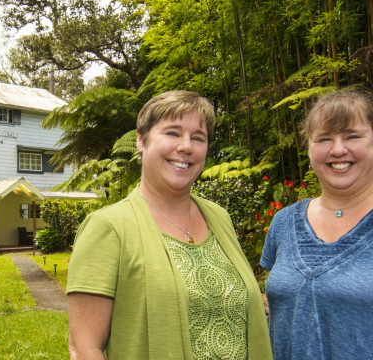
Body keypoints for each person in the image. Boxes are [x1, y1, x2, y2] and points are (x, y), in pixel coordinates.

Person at [67, 90, 272, 360]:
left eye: (197, 137)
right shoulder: (108, 228)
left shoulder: (219, 217)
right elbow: (84, 349)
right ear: (141, 141)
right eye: (173, 133)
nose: (186, 146)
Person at [261, 89, 373, 359]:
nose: (338, 149)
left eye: (352, 136)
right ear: (309, 149)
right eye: (324, 138)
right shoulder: (283, 222)